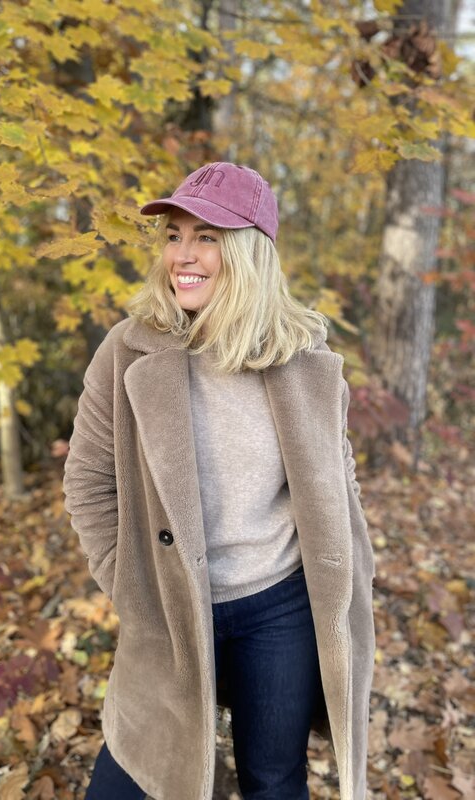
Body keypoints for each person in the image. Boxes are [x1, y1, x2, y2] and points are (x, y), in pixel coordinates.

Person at [63, 162, 376, 800]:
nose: (183, 254)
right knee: (130, 779)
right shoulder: (127, 351)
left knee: (274, 780)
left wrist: (350, 563)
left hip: (280, 606)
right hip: (171, 605)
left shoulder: (304, 359)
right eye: (174, 235)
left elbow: (337, 472)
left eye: (206, 237)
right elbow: (88, 480)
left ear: (249, 252)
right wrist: (129, 581)